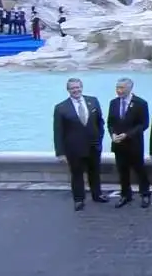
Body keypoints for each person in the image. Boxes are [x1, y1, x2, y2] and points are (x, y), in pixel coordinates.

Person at [52, 78, 108, 211]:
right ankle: (79, 199)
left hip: (93, 146)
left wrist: (99, 139)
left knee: (94, 172)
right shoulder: (60, 108)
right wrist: (60, 153)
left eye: (78, 87)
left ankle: (97, 195)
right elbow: (58, 131)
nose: (76, 90)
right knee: (77, 174)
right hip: (74, 149)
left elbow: (100, 122)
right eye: (72, 88)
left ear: (82, 87)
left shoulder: (93, 101)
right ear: (68, 90)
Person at [107, 77, 151, 208]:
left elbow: (144, 124)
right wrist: (113, 134)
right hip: (118, 144)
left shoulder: (140, 103)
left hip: (134, 144)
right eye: (117, 88)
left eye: (122, 88)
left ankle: (145, 194)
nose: (119, 91)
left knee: (140, 170)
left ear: (130, 88)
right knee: (122, 171)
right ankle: (125, 195)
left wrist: (127, 135)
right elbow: (110, 122)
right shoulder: (113, 103)